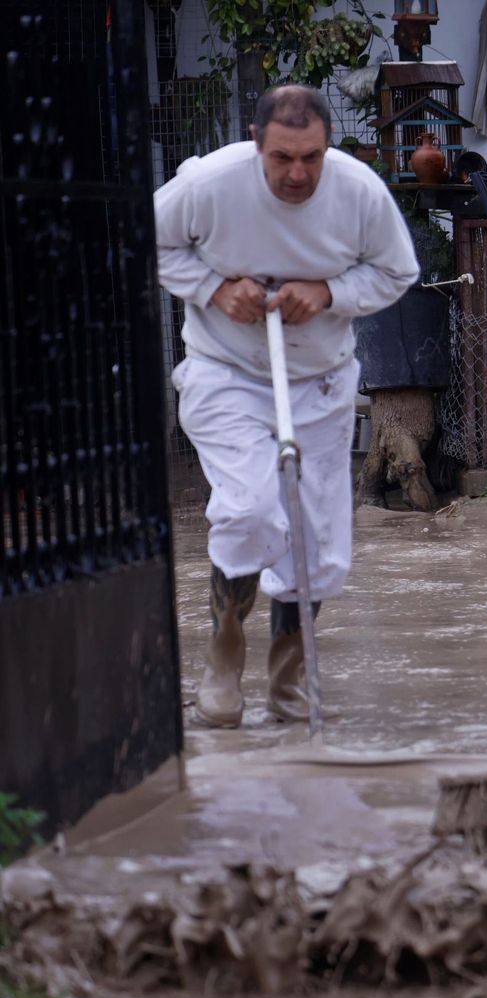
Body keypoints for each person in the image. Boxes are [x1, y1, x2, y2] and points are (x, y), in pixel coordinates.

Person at [154, 85, 418, 728]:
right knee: (248, 509)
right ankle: (223, 653)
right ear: (255, 142)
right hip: (225, 371)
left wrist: (328, 292)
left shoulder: (357, 191)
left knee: (317, 544)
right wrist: (214, 288)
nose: (297, 174)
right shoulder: (209, 184)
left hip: (319, 379)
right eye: (281, 158)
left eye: (312, 157)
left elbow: (396, 272)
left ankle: (287, 677)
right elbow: (151, 242)